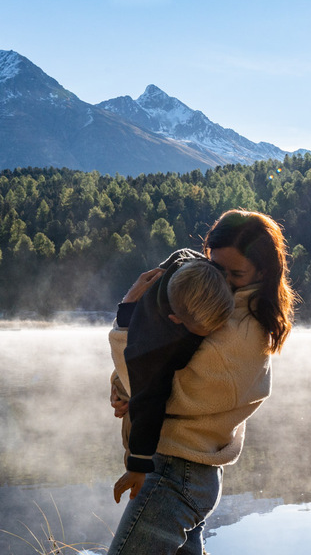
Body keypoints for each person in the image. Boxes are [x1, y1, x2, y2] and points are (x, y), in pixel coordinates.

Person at [107, 209, 297, 555]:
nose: (221, 281)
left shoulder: (239, 330)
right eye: (215, 265)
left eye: (235, 273)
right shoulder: (208, 298)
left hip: (177, 473)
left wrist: (125, 322)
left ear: (263, 271)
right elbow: (154, 357)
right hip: (184, 469)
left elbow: (160, 388)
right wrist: (120, 385)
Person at [112, 248, 235, 477]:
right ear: (176, 320)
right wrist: (138, 465)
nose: (212, 334)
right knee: (143, 397)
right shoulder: (153, 345)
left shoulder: (193, 266)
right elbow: (148, 400)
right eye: (202, 332)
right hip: (148, 423)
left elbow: (181, 252)